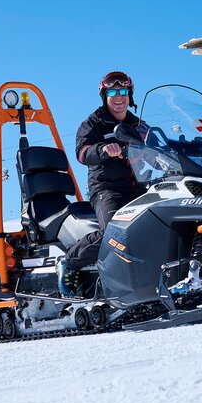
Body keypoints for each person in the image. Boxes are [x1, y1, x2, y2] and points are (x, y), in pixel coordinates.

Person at [60, 70, 147, 295]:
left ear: (130, 95)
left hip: (137, 186)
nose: (119, 97)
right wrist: (103, 149)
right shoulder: (93, 124)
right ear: (104, 95)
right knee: (114, 232)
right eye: (113, 92)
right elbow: (82, 153)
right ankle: (70, 261)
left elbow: (160, 145)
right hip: (107, 189)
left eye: (123, 92)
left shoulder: (138, 124)